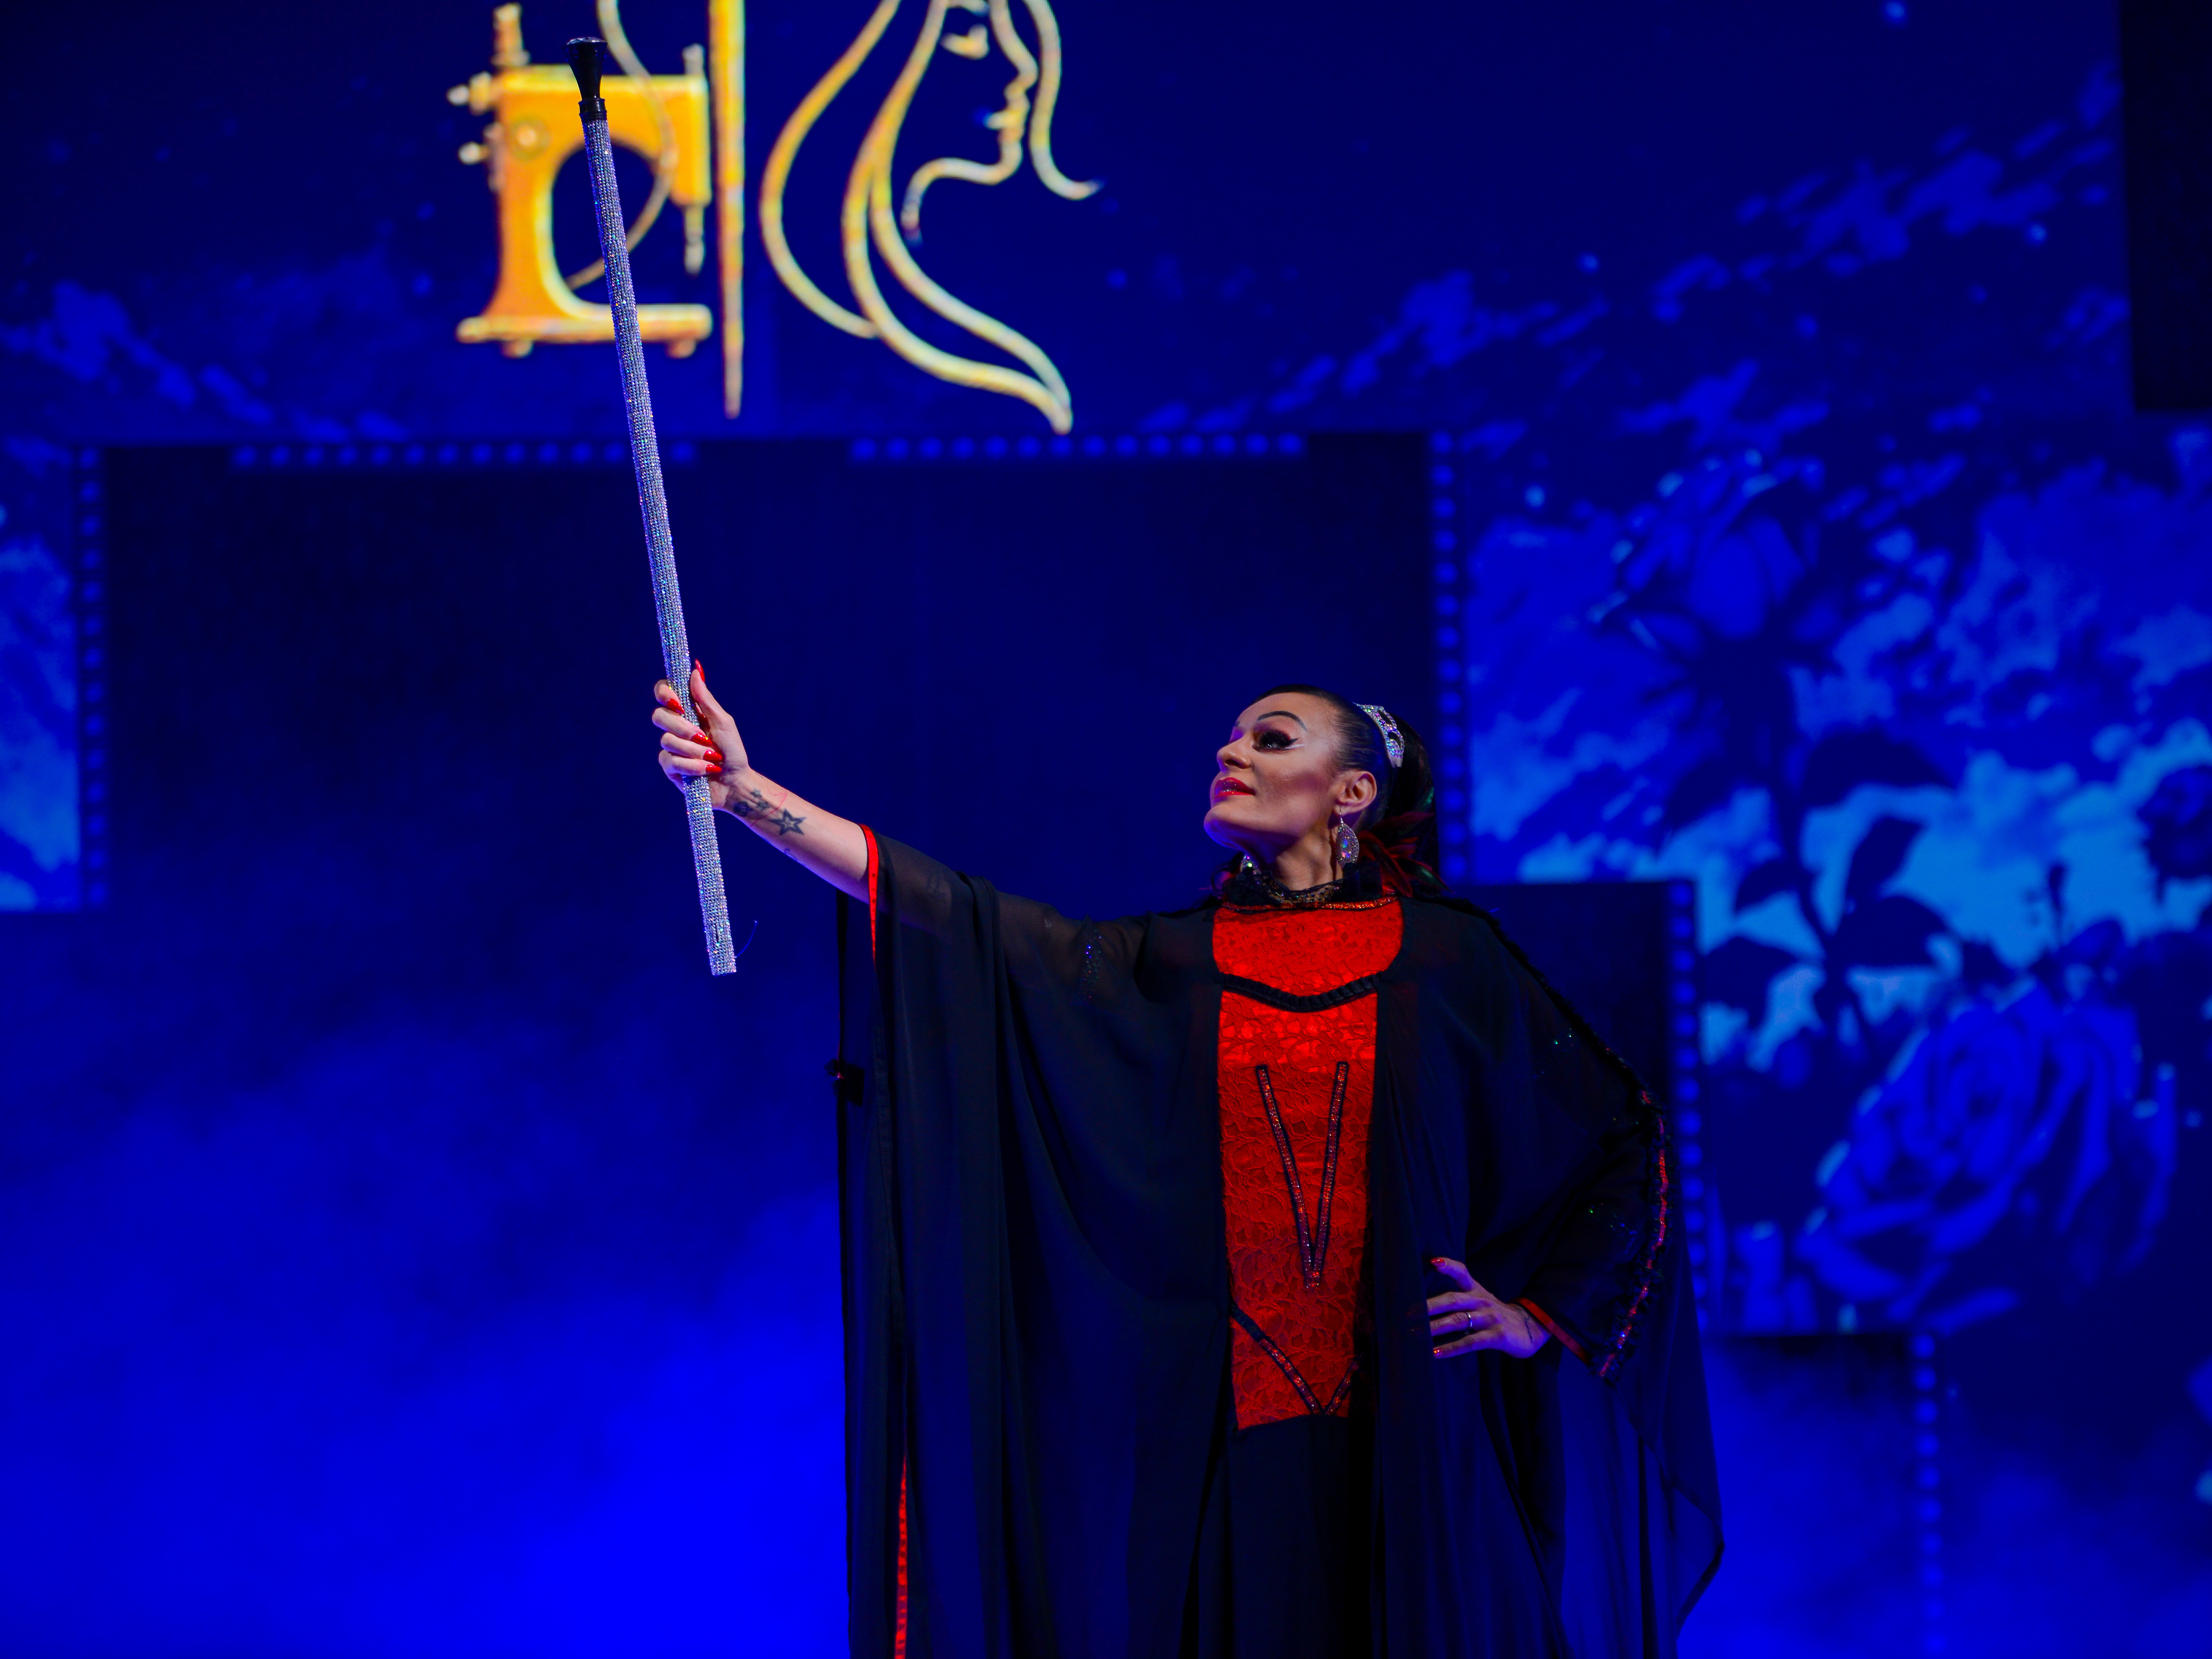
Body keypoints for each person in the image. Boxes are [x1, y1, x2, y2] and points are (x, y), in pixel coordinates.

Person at [652, 667, 1722, 1659]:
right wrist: (750, 796)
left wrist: (1536, 1315)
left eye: (1272, 738)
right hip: (1240, 1455)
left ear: (1353, 792)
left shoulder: (1451, 957)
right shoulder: (1174, 960)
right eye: (1231, 738)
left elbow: (1622, 1138)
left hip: (1422, 1447)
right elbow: (972, 926)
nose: (1232, 752)